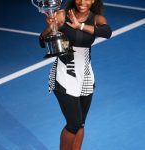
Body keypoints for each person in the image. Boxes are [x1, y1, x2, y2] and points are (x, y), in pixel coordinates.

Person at [39, 0, 112, 149]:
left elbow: (107, 32)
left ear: (93, 1)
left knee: (81, 123)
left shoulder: (96, 18)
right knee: (73, 124)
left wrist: (80, 26)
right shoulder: (61, 15)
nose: (82, 2)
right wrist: (50, 27)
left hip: (85, 75)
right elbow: (42, 41)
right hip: (64, 74)